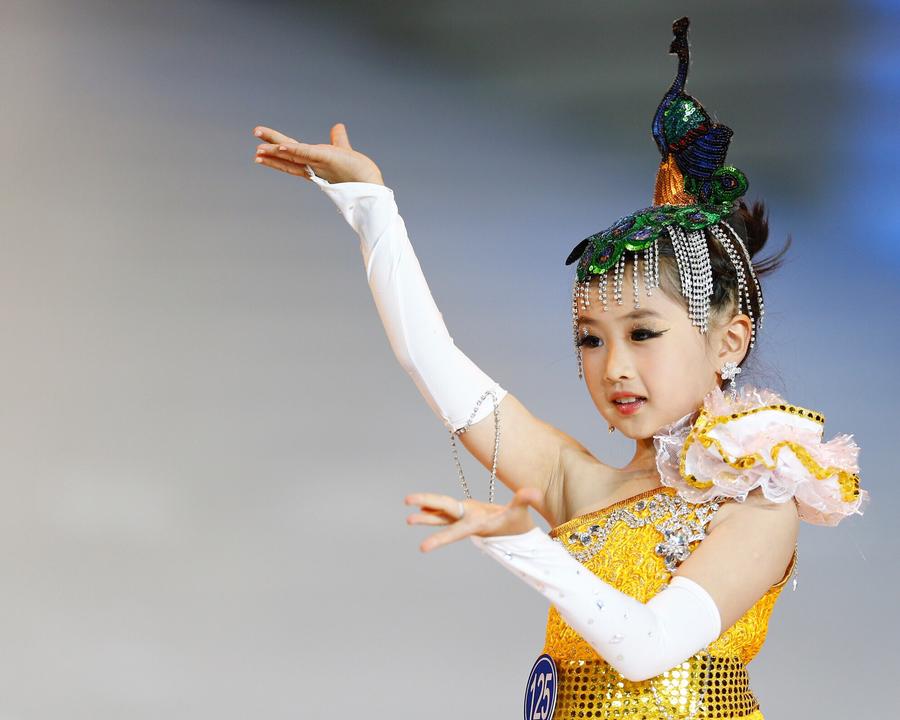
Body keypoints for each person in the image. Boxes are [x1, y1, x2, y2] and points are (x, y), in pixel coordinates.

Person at [252, 16, 868, 720]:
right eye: (590, 340)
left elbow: (648, 647)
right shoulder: (579, 483)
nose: (614, 367)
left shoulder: (759, 502)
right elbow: (432, 361)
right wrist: (372, 208)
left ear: (729, 343)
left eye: (642, 333)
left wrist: (524, 545)